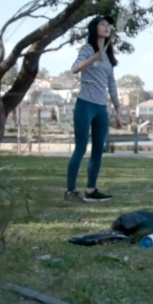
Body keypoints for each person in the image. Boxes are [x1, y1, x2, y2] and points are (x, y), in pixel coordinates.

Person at [65, 14, 125, 203]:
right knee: (81, 148)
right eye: (102, 24)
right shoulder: (87, 49)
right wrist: (93, 58)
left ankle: (91, 190)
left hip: (101, 108)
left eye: (109, 25)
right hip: (85, 104)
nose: (107, 27)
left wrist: (117, 108)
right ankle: (70, 191)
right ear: (94, 28)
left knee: (98, 149)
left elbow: (111, 83)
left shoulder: (108, 56)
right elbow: (74, 68)